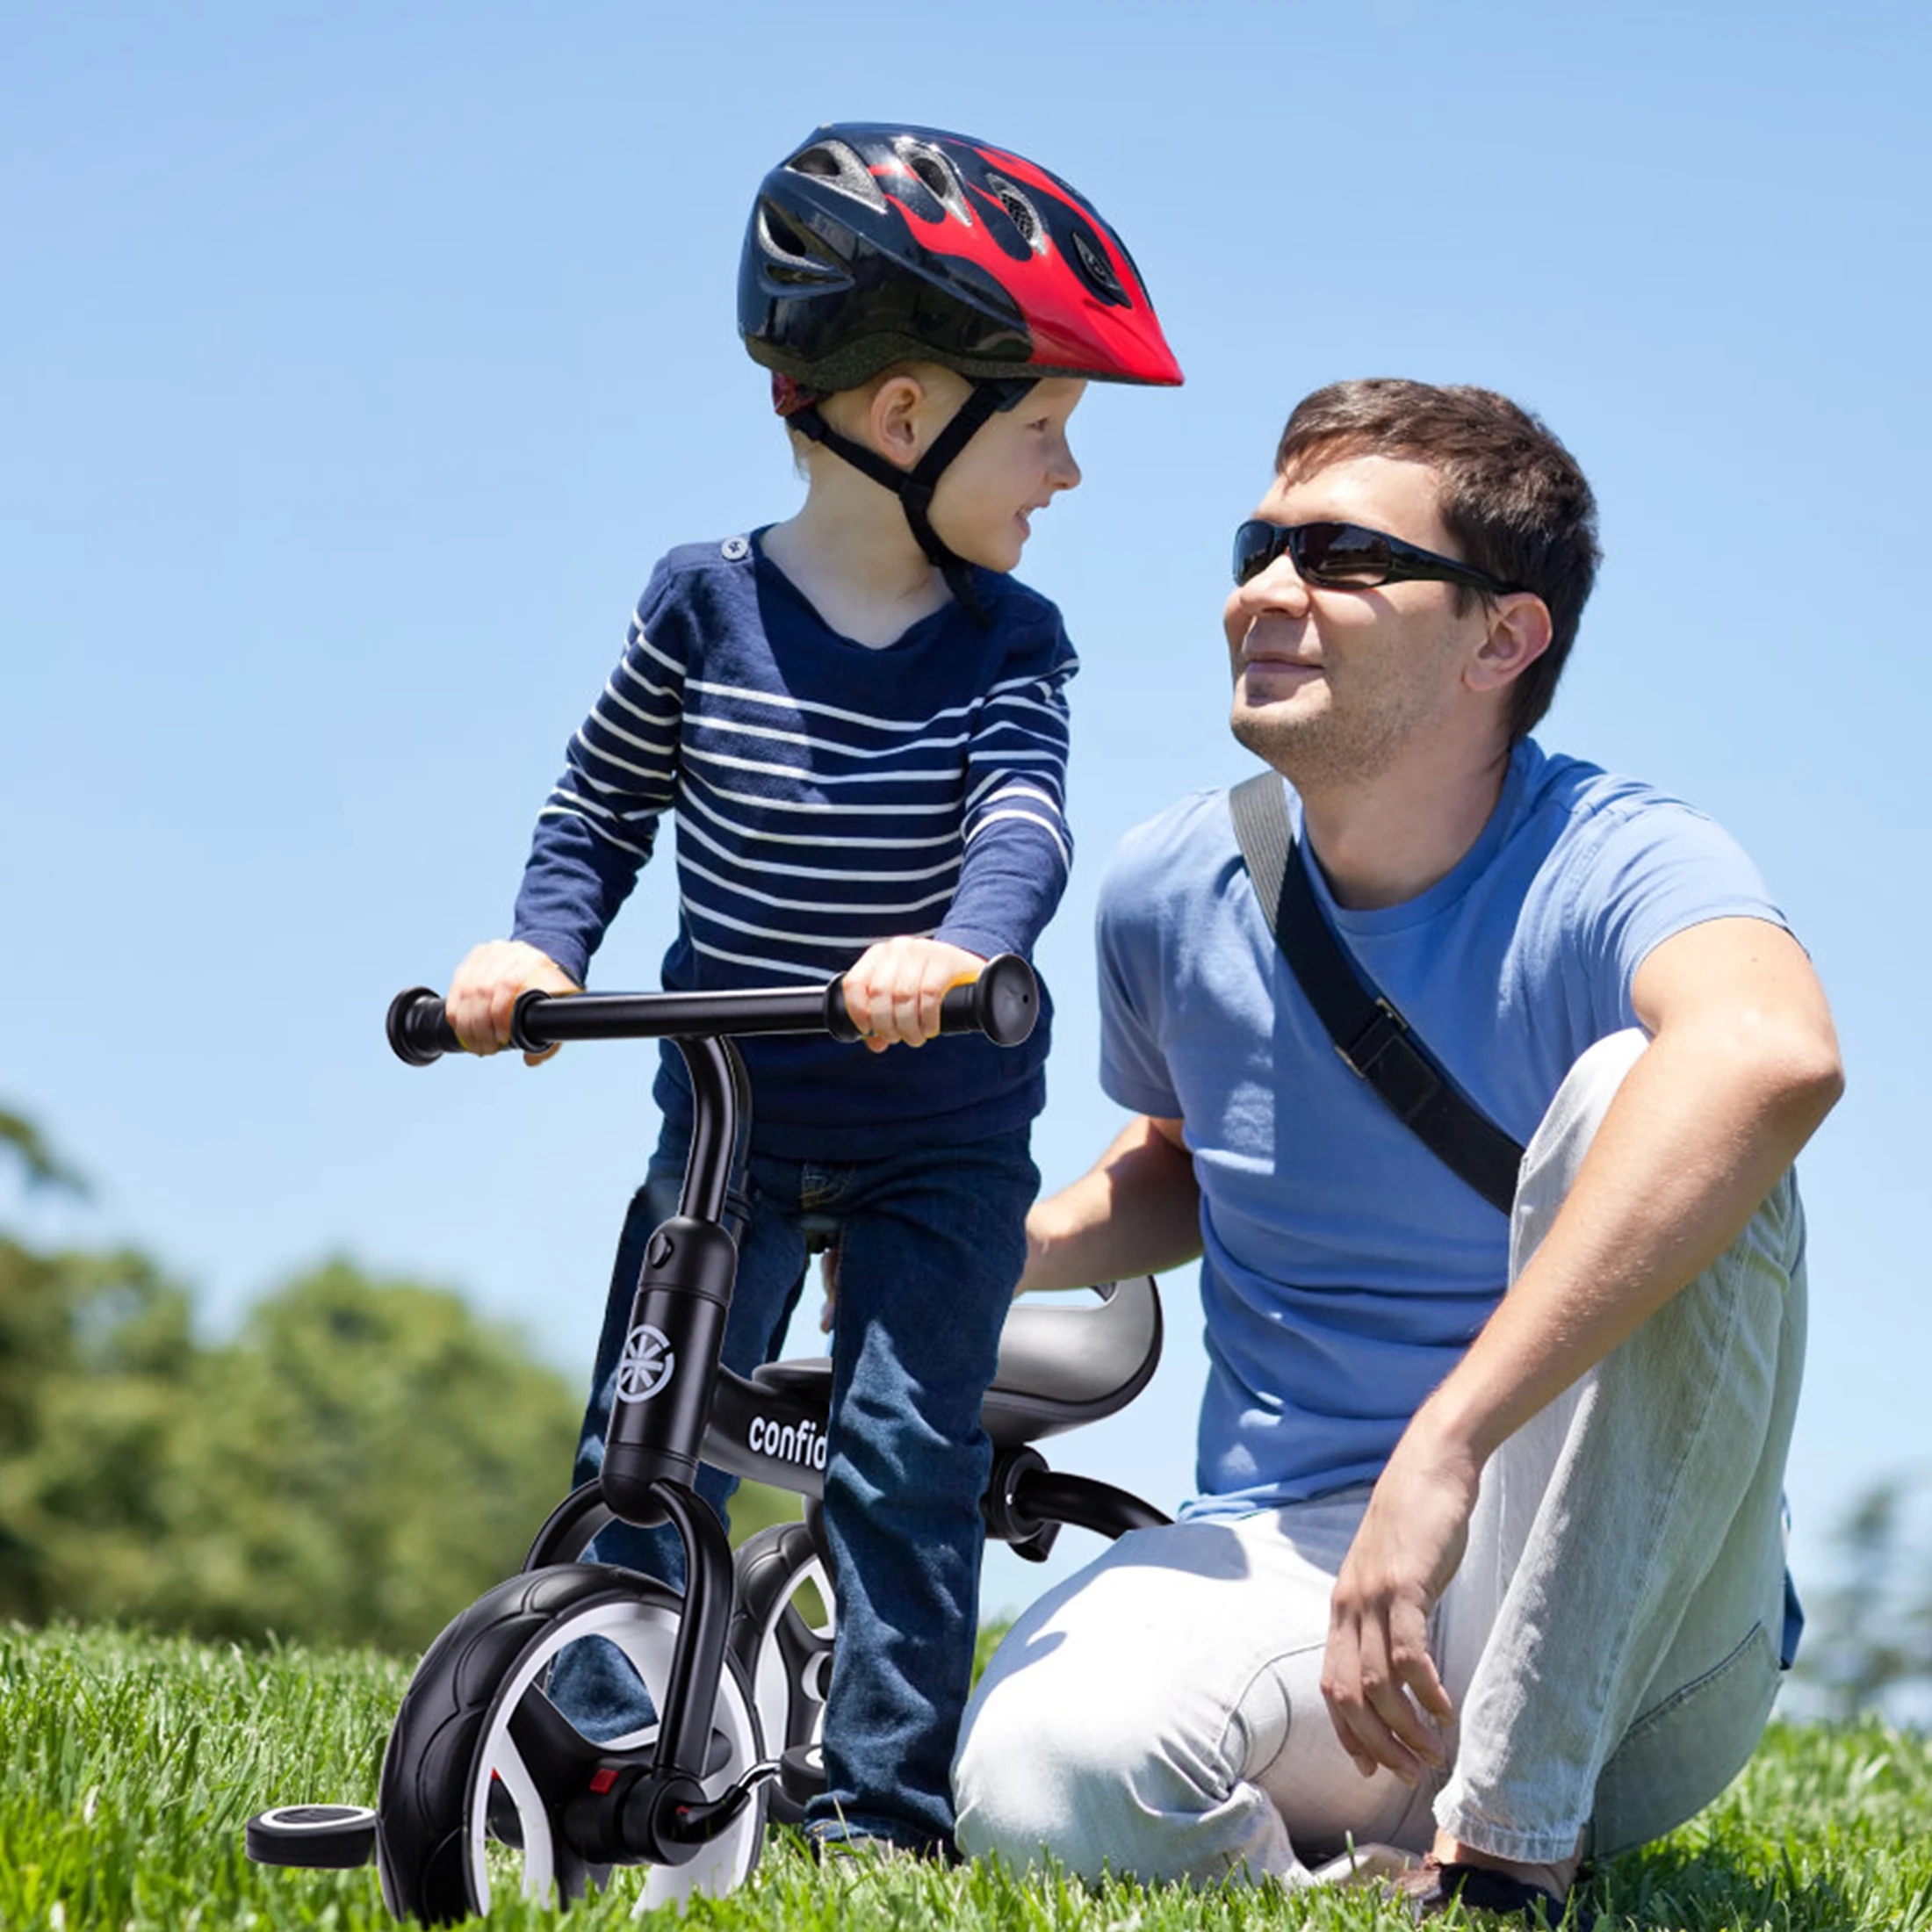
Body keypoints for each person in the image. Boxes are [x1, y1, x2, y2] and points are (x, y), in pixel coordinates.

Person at [951, 378, 1841, 1922]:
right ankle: (1355, 1888)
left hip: (1632, 1629)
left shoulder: (1618, 856)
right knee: (1038, 1780)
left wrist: (1448, 1446)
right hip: (1306, 1582)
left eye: (1341, 558)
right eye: (1260, 543)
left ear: (1504, 638)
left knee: (1656, 1088)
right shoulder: (1173, 884)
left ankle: (1512, 1848)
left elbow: (1774, 1055)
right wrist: (988, 1244)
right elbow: (1186, 1155)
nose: (1261, 592)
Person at [441, 123, 1180, 1857]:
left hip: (936, 1125)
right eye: (1047, 428)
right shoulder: (699, 606)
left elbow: (1019, 819)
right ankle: (597, 1737)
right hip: (731, 1110)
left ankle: (875, 1804)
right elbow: (599, 801)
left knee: (900, 1457)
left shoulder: (1013, 640)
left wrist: (959, 946)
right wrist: (536, 948)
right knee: (642, 1428)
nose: (1067, 473)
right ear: (905, 419)